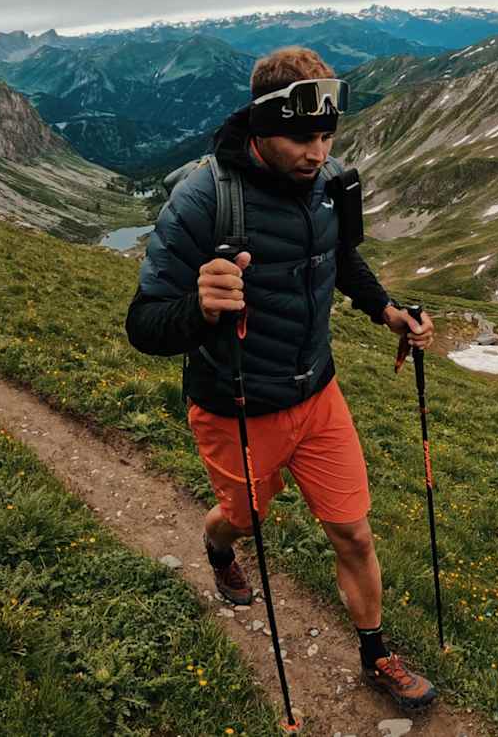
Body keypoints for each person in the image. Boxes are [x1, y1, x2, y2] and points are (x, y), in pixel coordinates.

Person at [125, 46, 439, 711]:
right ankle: (216, 545)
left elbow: (340, 255)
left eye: (327, 136)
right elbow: (145, 324)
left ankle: (375, 651)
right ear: (261, 126)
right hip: (235, 407)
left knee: (353, 530)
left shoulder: (335, 184)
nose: (317, 153)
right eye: (302, 137)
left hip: (318, 395)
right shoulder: (202, 199)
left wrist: (386, 310)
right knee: (244, 517)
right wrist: (200, 309)